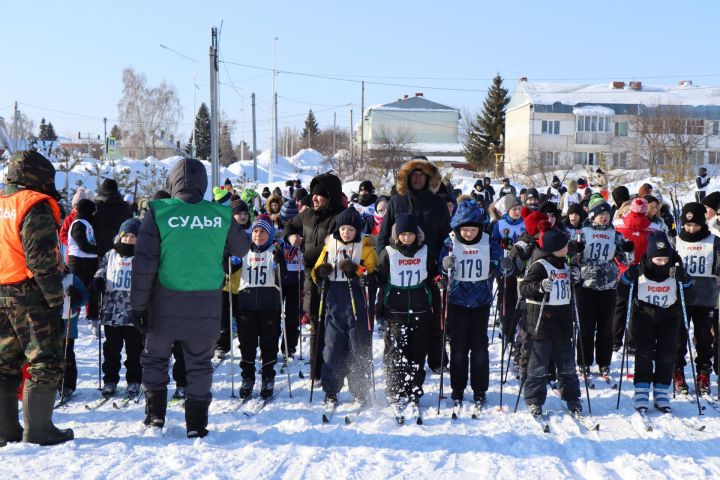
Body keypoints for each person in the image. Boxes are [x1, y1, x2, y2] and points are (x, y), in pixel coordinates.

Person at [131, 157, 249, 438]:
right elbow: (242, 248)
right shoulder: (219, 214)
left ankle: (155, 417)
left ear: (172, 183)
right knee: (199, 363)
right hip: (205, 302)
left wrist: (137, 305)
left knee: (155, 359)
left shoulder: (158, 211)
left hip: (163, 301)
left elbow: (144, 263)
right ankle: (196, 424)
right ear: (203, 184)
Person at [0, 150, 74, 446]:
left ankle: (5, 429)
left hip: (1, 289)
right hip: (28, 293)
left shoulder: (3, 202)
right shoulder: (34, 205)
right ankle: (39, 430)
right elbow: (41, 260)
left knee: (4, 361)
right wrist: (55, 297)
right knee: (44, 359)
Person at [375, 157, 452, 373]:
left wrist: (443, 263)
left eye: (422, 175)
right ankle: (394, 358)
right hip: (399, 267)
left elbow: (446, 235)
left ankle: (437, 360)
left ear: (428, 178)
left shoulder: (437, 202)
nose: (418, 179)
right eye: (414, 175)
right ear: (407, 178)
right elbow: (383, 234)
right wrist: (384, 259)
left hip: (430, 266)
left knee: (434, 315)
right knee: (397, 318)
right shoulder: (396, 201)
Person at [283, 173, 345, 385]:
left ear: (331, 196)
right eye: (313, 194)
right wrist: (291, 236)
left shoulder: (340, 218)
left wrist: (306, 254)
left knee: (334, 327)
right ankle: (316, 372)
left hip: (333, 280)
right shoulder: (308, 214)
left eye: (320, 195)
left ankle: (336, 370)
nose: (315, 198)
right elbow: (289, 224)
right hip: (311, 281)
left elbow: (331, 248)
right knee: (316, 326)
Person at [312, 207, 377, 407]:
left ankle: (359, 390)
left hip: (355, 302)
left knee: (357, 348)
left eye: (350, 229)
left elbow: (372, 274)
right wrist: (320, 275)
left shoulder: (365, 248)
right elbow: (316, 271)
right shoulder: (329, 246)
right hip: (334, 302)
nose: (346, 233)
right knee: (332, 348)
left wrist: (356, 270)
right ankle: (331, 390)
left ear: (357, 230)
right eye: (342, 229)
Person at [439, 199, 500, 407]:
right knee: (458, 348)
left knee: (480, 348)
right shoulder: (450, 242)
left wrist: (503, 265)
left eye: (473, 229)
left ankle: (479, 389)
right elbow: (441, 269)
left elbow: (499, 262)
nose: (469, 233)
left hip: (480, 302)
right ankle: (457, 387)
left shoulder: (487, 240)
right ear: (458, 228)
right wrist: (444, 267)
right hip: (457, 301)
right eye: (465, 229)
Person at [621, 231, 690, 412]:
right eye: (658, 260)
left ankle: (661, 392)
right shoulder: (640, 270)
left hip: (669, 318)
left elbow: (690, 296)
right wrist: (628, 277)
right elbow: (622, 293)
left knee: (667, 355)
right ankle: (642, 391)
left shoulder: (675, 269)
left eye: (665, 259)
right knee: (644, 354)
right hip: (644, 317)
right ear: (650, 257)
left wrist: (686, 280)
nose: (662, 263)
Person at [519, 224, 582, 415]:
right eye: (565, 245)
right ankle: (534, 399)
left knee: (567, 365)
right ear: (555, 247)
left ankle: (572, 397)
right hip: (542, 322)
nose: (568, 247)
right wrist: (539, 287)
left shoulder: (565, 263)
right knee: (538, 364)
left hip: (563, 321)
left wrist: (575, 279)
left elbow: (567, 288)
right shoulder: (540, 265)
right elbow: (524, 288)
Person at [376, 214, 433, 415]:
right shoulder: (389, 252)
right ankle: (395, 390)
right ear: (396, 235)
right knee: (395, 353)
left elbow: (432, 274)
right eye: (403, 234)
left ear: (417, 235)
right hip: (396, 310)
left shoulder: (425, 251)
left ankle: (414, 390)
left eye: (410, 234)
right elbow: (380, 278)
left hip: (419, 309)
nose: (407, 238)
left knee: (417, 353)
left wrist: (439, 281)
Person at [574, 197, 633, 377]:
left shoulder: (615, 234)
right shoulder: (583, 232)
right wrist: (574, 251)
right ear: (593, 215)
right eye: (601, 214)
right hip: (586, 284)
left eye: (607, 214)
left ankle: (604, 362)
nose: (605, 217)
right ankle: (584, 362)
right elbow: (572, 259)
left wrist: (629, 249)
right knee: (586, 327)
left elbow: (626, 261)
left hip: (608, 285)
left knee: (605, 327)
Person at [236, 215, 286, 399]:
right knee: (247, 344)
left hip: (269, 305)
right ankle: (247, 377)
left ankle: (267, 377)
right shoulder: (243, 252)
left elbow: (284, 277)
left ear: (270, 234)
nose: (258, 235)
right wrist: (229, 261)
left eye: (263, 232)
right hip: (247, 304)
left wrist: (280, 264)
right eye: (256, 231)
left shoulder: (274, 251)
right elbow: (228, 269)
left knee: (269, 343)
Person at [93, 218, 143, 399]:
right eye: (126, 236)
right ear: (120, 236)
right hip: (112, 310)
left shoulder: (142, 255)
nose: (129, 239)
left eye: (133, 236)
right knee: (112, 349)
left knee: (134, 350)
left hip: (133, 311)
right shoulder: (111, 254)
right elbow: (101, 270)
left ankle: (134, 381)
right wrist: (98, 280)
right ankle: (110, 380)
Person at [673, 202, 720, 395]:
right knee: (679, 337)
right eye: (687, 225)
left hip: (706, 297)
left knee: (704, 338)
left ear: (703, 224)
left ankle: (703, 373)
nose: (691, 229)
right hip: (681, 297)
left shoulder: (714, 241)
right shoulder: (676, 240)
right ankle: (678, 371)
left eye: (695, 225)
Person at [612, 198, 658, 352]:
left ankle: (615, 340)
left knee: (620, 306)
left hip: (622, 270)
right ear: (645, 211)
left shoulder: (618, 224)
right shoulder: (653, 227)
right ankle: (632, 342)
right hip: (643, 272)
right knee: (637, 308)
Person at [491, 194, 526, 340]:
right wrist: (498, 259)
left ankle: (518, 329)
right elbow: (494, 245)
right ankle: (507, 330)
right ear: (508, 209)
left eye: (519, 208)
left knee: (520, 299)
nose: (517, 212)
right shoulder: (499, 224)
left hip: (522, 265)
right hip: (505, 267)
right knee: (507, 299)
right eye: (514, 209)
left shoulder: (524, 223)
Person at [58, 261, 89, 399]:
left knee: (67, 354)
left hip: (67, 321)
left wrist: (77, 297)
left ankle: (68, 385)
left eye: (60, 264)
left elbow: (85, 297)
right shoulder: (44, 278)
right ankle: (53, 383)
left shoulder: (72, 278)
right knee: (52, 355)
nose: (58, 267)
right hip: (49, 323)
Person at [94, 179, 132, 259]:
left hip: (100, 248)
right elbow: (130, 226)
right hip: (120, 247)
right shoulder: (126, 206)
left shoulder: (96, 206)